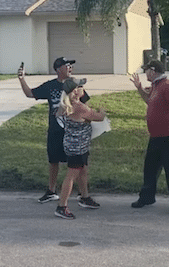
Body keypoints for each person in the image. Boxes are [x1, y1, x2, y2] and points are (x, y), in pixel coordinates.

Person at [18, 57, 90, 203]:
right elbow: (30, 93)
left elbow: (85, 106)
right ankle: (51, 191)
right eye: (67, 66)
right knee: (53, 161)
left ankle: (83, 194)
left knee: (79, 164)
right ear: (58, 69)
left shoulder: (74, 85)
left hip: (73, 133)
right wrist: (21, 79)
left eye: (71, 66)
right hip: (56, 130)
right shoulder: (50, 86)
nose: (70, 68)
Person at [129, 59, 169, 216]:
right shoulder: (156, 86)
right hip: (156, 136)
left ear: (153, 71)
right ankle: (147, 197)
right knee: (150, 169)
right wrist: (139, 88)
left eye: (146, 70)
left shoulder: (167, 86)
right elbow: (149, 102)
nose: (145, 73)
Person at [54, 77, 106, 219]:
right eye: (80, 87)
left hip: (73, 145)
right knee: (71, 176)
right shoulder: (79, 107)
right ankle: (61, 206)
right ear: (75, 91)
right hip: (78, 147)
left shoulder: (66, 105)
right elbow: (98, 117)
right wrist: (102, 110)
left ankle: (85, 197)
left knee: (83, 171)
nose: (83, 89)